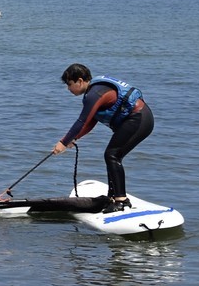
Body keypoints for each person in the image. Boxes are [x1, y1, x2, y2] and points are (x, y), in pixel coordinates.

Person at [52, 63, 153, 212]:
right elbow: (90, 122)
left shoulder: (94, 94)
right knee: (112, 155)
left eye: (70, 84)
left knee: (112, 155)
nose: (68, 89)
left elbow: (82, 120)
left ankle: (121, 200)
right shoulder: (93, 93)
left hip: (139, 118)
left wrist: (63, 142)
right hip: (138, 119)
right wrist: (74, 138)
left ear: (80, 81)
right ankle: (113, 197)